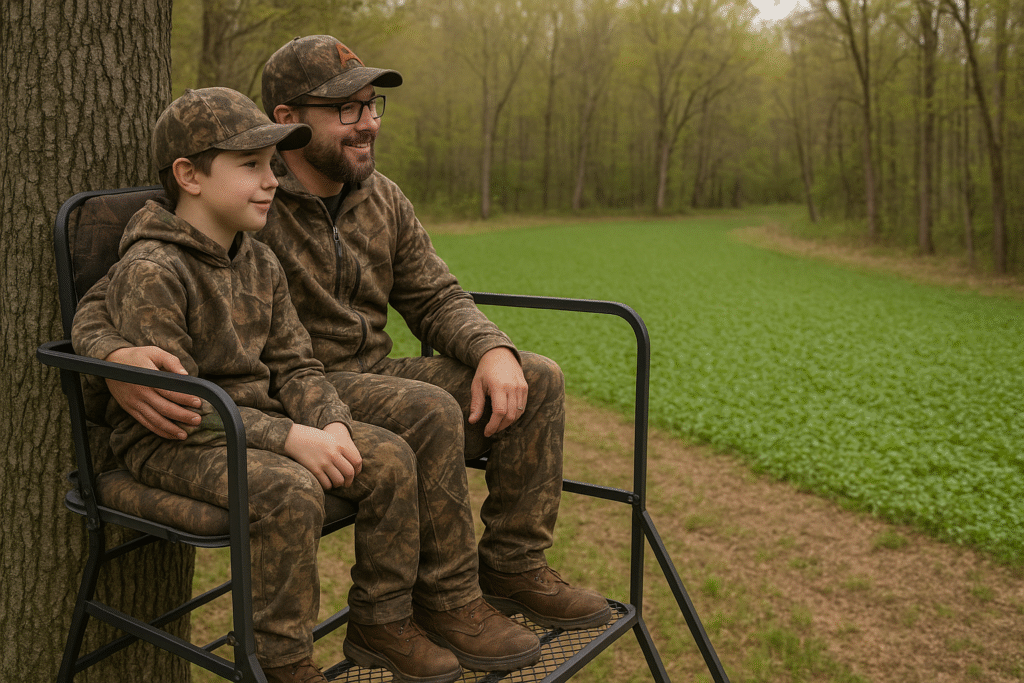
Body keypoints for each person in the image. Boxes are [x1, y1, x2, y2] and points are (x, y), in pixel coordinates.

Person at [72, 35, 610, 681]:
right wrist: (114, 355)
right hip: (286, 391)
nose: (368, 122)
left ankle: (513, 567)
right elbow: (117, 289)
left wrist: (493, 348)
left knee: (537, 374)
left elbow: (435, 293)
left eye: (371, 105)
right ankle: (442, 600)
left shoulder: (378, 198)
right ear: (290, 116)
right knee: (431, 409)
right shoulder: (243, 210)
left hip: (342, 380)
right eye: (346, 109)